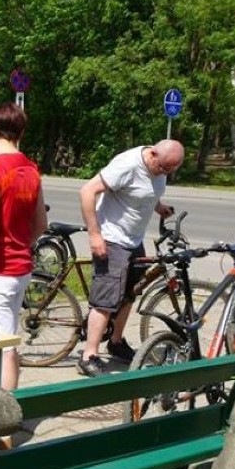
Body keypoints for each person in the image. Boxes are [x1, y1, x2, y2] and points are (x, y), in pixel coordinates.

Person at [78, 139, 184, 377]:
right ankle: (88, 356)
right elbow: (87, 191)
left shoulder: (159, 165)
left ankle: (115, 342)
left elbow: (145, 191)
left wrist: (159, 207)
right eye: (163, 168)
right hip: (112, 239)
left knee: (130, 293)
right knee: (105, 300)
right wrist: (95, 235)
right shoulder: (126, 164)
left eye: (170, 170)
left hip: (134, 240)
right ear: (153, 154)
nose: (165, 173)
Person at [0, 102, 47, 396]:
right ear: (21, 131)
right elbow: (40, 223)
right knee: (7, 334)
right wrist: (19, 244)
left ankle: (4, 422)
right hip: (20, 269)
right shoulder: (31, 168)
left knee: (4, 345)